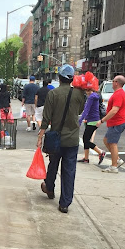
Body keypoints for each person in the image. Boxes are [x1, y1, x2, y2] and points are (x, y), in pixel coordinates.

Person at [36, 64, 85, 213]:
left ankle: (49, 187)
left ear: (59, 78)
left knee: (53, 164)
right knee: (69, 171)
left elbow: (46, 118)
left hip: (56, 138)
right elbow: (80, 110)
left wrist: (40, 136)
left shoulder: (53, 94)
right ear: (72, 78)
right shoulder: (79, 94)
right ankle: (64, 203)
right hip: (72, 139)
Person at [96, 75, 125, 173]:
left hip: (117, 122)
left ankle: (114, 166)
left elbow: (114, 110)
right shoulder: (119, 93)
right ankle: (117, 160)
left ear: (117, 83)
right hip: (116, 122)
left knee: (112, 143)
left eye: (113, 81)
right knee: (106, 140)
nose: (112, 83)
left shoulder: (119, 94)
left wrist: (102, 120)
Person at [78, 86, 106, 164]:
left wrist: (80, 120)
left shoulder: (91, 97)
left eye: (87, 90)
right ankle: (86, 158)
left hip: (92, 121)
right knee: (86, 138)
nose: (86, 91)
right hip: (93, 119)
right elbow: (91, 109)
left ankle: (100, 152)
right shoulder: (94, 96)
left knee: (86, 139)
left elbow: (86, 110)